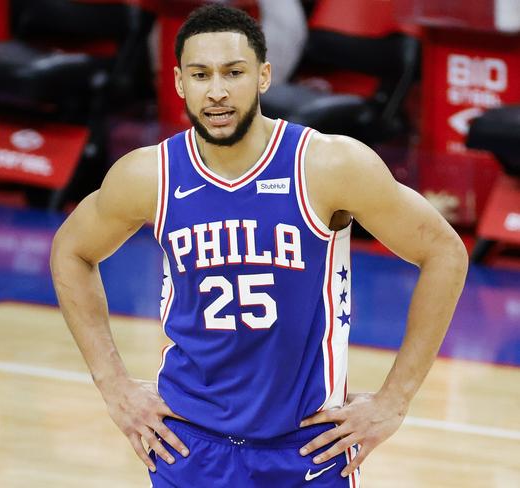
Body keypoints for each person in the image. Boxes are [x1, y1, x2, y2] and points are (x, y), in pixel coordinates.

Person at [50, 5, 468, 487]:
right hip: (188, 446)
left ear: (264, 76)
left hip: (307, 447)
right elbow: (71, 250)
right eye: (201, 74)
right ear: (180, 83)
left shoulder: (329, 165)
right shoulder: (150, 175)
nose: (218, 91)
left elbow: (444, 252)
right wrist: (114, 386)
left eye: (234, 72)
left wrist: (395, 400)